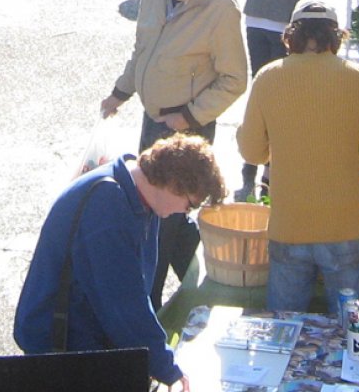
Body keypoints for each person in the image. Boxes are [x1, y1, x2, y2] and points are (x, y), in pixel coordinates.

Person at [101, 0, 247, 309]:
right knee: (166, 218)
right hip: (154, 120)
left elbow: (235, 79)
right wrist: (120, 92)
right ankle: (213, 291)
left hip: (187, 128)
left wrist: (189, 116)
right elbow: (143, 49)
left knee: (160, 220)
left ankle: (147, 307)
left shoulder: (221, 8)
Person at [14, 135, 225, 389]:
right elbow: (123, 307)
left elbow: (134, 295)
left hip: (86, 333)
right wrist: (165, 366)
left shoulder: (140, 195)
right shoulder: (108, 207)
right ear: (173, 183)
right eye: (190, 205)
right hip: (59, 346)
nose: (185, 212)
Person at [237, 0, 359, 314]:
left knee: (285, 327)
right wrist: (355, 138)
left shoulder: (268, 78)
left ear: (292, 35)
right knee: (353, 331)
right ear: (335, 35)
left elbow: (252, 153)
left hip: (289, 225)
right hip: (348, 226)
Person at [236, 0, 330, 201]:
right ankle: (270, 173)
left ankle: (249, 167)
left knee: (260, 93)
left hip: (255, 20)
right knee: (285, 102)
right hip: (289, 27)